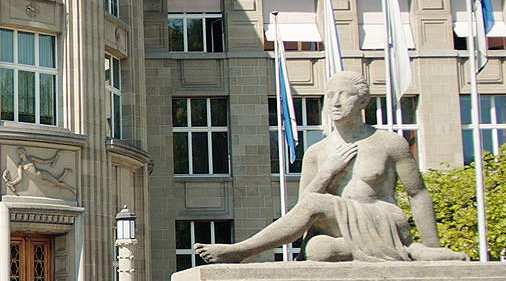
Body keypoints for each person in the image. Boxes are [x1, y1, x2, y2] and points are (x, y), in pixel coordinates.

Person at [197, 70, 468, 264]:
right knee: (318, 250)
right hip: (339, 226)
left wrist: (433, 246)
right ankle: (374, 252)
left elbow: (418, 193)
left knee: (317, 208)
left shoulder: (389, 143)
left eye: (345, 95)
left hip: (383, 219)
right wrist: (328, 170)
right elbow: (304, 206)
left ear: (363, 102)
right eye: (329, 96)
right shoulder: (317, 152)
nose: (335, 102)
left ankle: (241, 251)